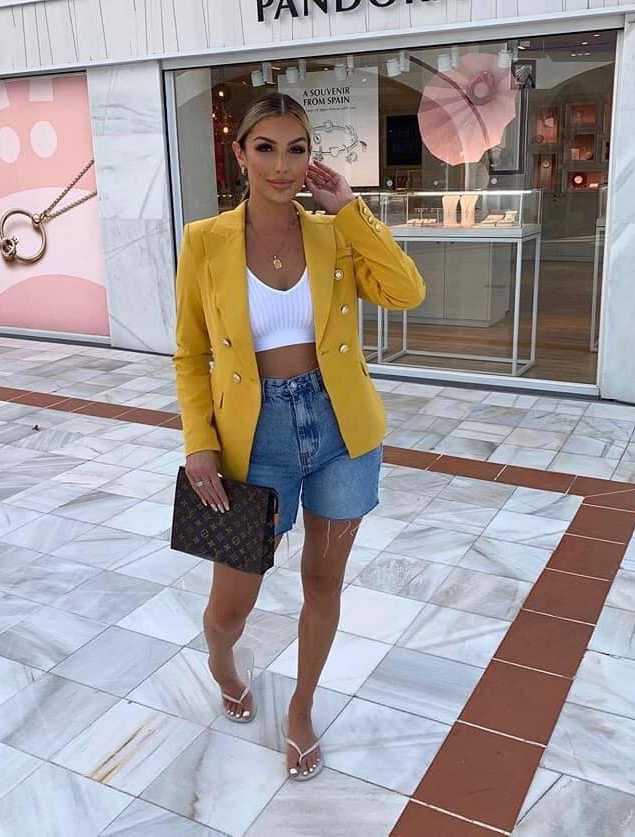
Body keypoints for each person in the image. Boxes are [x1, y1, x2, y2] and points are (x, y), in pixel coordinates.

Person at [173, 92, 425, 781]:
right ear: (240, 154)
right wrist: (199, 439)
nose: (282, 165)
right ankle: (223, 666)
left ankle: (302, 707)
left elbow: (406, 292)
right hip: (254, 438)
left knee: (323, 580)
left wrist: (351, 211)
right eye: (266, 148)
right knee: (230, 607)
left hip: (341, 427)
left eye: (296, 149)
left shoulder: (333, 233)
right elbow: (190, 353)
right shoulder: (204, 241)